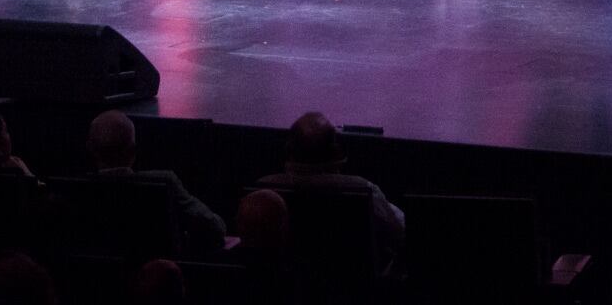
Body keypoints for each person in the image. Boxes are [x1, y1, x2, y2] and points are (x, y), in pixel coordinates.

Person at [257, 112, 404, 276]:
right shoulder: (364, 189)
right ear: (335, 151)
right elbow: (399, 232)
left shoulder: (263, 190)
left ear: (289, 148)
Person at [87, 110, 226, 256]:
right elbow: (215, 227)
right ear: (133, 150)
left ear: (90, 148)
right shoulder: (164, 182)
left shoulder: (77, 191)